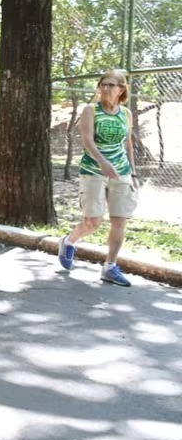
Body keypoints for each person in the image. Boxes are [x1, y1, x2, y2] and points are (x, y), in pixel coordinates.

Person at [57, 69, 139, 287]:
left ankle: (110, 267)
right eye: (103, 84)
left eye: (111, 85)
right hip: (94, 170)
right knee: (93, 221)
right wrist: (103, 163)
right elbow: (87, 141)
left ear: (121, 89)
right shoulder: (91, 110)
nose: (105, 88)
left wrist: (133, 172)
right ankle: (69, 241)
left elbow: (128, 144)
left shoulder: (126, 114)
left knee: (120, 219)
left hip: (121, 172)